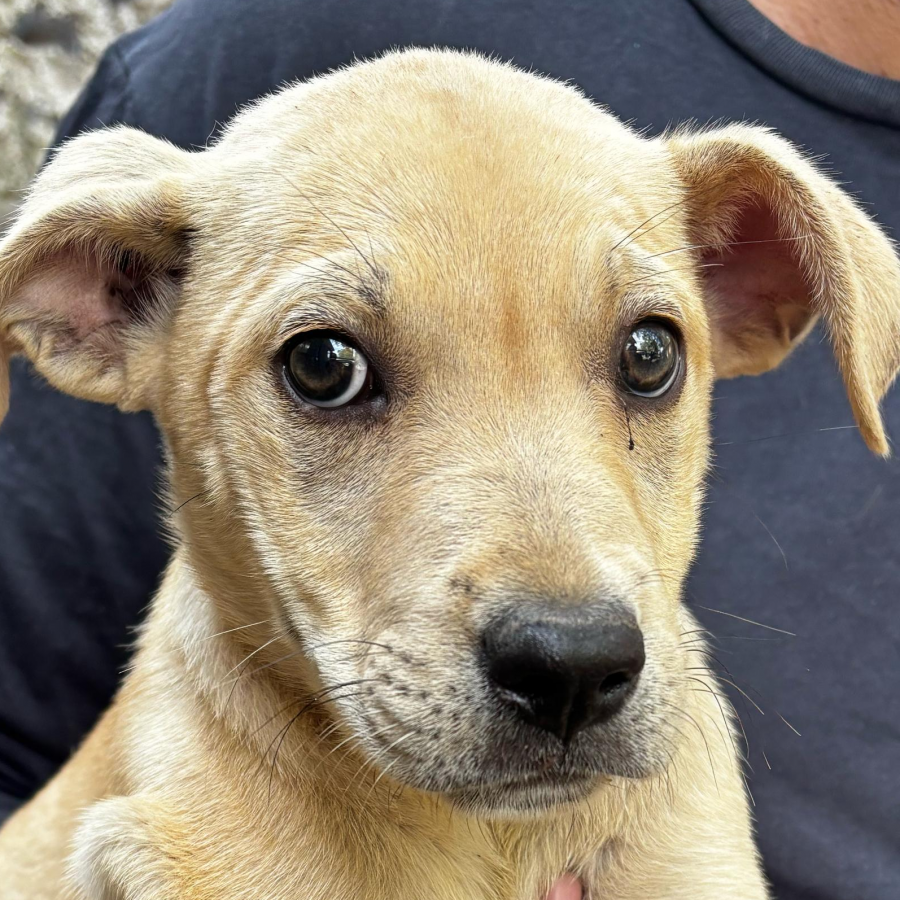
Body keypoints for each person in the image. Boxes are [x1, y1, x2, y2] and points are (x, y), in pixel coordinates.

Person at [0, 1, 898, 897]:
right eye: (328, 369)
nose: (569, 634)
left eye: (643, 359)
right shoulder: (231, 50)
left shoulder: (685, 821)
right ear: (112, 301)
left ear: (744, 287)